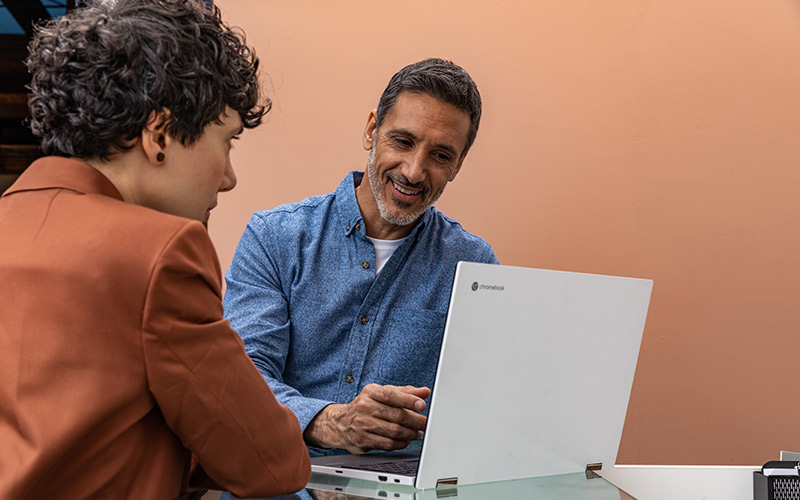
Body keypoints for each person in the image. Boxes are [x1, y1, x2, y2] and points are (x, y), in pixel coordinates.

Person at [0, 1, 311, 498]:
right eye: (226, 143)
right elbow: (271, 464)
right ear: (159, 134)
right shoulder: (163, 252)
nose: (229, 178)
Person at [223, 58, 498, 456]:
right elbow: (242, 378)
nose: (414, 170)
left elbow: (481, 408)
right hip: (281, 486)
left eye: (440, 155)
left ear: (458, 165)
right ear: (372, 130)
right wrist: (328, 422)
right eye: (403, 142)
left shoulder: (474, 266)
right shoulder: (274, 238)